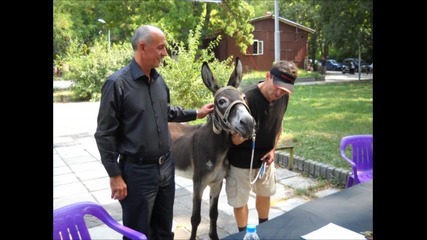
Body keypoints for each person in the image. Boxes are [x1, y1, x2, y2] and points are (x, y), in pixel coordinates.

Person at [94, 25, 214, 240]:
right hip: (137, 173)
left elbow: (165, 111)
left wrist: (197, 113)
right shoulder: (116, 84)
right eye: (161, 47)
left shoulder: (158, 81)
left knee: (163, 230)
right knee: (138, 234)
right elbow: (104, 134)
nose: (165, 53)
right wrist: (115, 175)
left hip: (166, 167)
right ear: (142, 47)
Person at [226, 60, 298, 232]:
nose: (279, 92)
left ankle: (264, 229)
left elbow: (278, 125)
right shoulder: (246, 98)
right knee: (240, 201)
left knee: (265, 194)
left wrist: (273, 149)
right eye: (277, 86)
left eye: (285, 90)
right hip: (241, 161)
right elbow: (232, 140)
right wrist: (247, 133)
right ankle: (243, 234)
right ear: (268, 76)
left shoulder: (283, 97)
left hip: (265, 161)